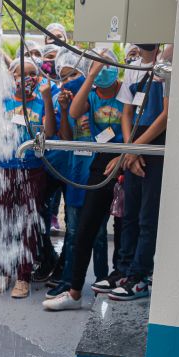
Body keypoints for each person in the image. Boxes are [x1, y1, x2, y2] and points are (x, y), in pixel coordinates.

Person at [43, 50, 121, 308]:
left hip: (106, 170)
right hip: (79, 172)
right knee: (77, 230)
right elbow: (66, 131)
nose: (69, 81)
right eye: (64, 77)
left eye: (74, 74)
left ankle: (103, 280)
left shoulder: (109, 97)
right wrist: (65, 107)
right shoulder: (79, 98)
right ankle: (70, 284)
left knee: (101, 233)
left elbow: (122, 129)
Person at [106, 43, 168, 300]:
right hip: (134, 142)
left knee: (147, 215)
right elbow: (126, 113)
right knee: (129, 213)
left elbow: (166, 115)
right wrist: (129, 148)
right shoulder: (132, 68)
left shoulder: (166, 66)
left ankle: (139, 275)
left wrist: (134, 149)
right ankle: (123, 269)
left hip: (155, 141)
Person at [0, 58, 56, 298]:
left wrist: (48, 100)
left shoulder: (41, 104)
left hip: (32, 170)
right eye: (22, 73)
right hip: (5, 169)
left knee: (28, 224)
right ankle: (3, 271)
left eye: (32, 73)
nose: (27, 78)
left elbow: (49, 132)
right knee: (4, 221)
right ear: (12, 77)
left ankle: (23, 276)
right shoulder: (2, 102)